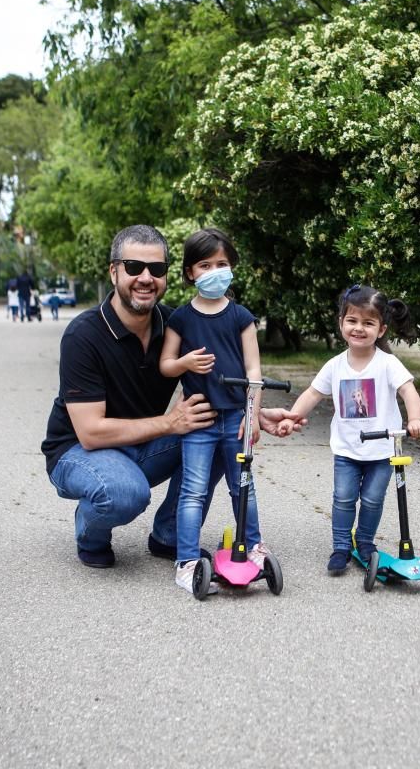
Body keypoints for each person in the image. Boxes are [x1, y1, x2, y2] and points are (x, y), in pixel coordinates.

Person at [41, 224, 302, 571]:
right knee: (123, 493)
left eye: (156, 269)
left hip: (144, 440)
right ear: (114, 270)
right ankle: (90, 532)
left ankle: (168, 534)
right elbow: (91, 432)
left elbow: (216, 387)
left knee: (221, 435)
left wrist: (253, 414)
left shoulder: (176, 324)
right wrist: (169, 423)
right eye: (134, 267)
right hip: (79, 451)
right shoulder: (84, 335)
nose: (146, 277)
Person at [275, 284, 420, 574]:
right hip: (346, 450)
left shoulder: (388, 364)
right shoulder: (334, 365)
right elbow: (312, 394)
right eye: (352, 321)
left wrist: (415, 419)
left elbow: (409, 391)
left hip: (382, 450)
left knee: (372, 499)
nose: (359, 328)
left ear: (381, 330)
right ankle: (341, 547)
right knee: (343, 499)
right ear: (341, 323)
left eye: (368, 323)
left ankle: (366, 543)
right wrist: (291, 417)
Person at [158, 227, 270, 593]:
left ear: (232, 269)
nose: (214, 271)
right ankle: (186, 559)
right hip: (200, 420)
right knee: (193, 492)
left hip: (236, 417)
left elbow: (254, 371)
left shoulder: (240, 316)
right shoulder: (181, 318)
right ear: (191, 272)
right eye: (205, 265)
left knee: (244, 487)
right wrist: (185, 362)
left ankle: (253, 547)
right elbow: (166, 365)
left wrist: (253, 415)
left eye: (222, 264)